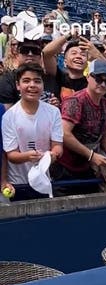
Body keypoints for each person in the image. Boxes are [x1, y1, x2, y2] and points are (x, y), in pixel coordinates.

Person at [51, 59, 106, 195]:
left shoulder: (105, 104)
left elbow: (105, 134)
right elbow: (64, 133)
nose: (103, 84)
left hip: (86, 167)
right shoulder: (76, 101)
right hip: (65, 168)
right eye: (98, 79)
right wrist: (92, 156)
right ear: (88, 77)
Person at [1, 63, 63, 201]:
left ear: (43, 84)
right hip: (17, 185)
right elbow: (11, 155)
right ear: (18, 85)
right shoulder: (9, 116)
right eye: (26, 81)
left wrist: (53, 155)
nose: (32, 85)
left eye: (37, 81)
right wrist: (28, 156)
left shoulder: (54, 112)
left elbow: (58, 146)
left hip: (44, 183)